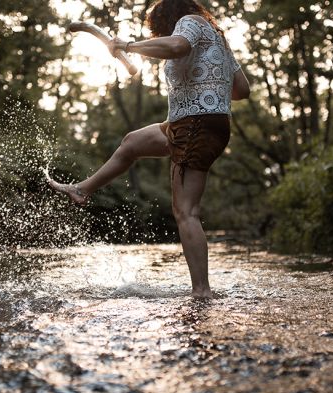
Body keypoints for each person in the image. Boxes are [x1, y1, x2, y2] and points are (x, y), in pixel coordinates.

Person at [45, 0, 250, 298]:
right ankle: (83, 189)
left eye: (157, 29)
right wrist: (208, 80)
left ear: (165, 19)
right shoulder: (218, 38)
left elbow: (177, 46)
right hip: (190, 123)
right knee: (131, 143)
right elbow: (242, 89)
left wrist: (128, 45)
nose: (158, 34)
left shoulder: (189, 22)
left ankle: (202, 291)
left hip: (195, 125)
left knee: (186, 212)